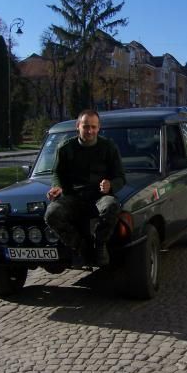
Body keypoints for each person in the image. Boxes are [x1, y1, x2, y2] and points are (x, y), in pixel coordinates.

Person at [44, 109, 126, 267]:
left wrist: (111, 185)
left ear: (99, 128)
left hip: (99, 196)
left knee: (112, 206)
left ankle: (100, 244)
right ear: (78, 126)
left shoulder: (108, 147)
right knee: (51, 214)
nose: (90, 131)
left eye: (94, 127)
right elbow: (56, 174)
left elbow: (121, 177)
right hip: (73, 196)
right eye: (86, 126)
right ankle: (79, 247)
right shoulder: (65, 148)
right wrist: (57, 187)